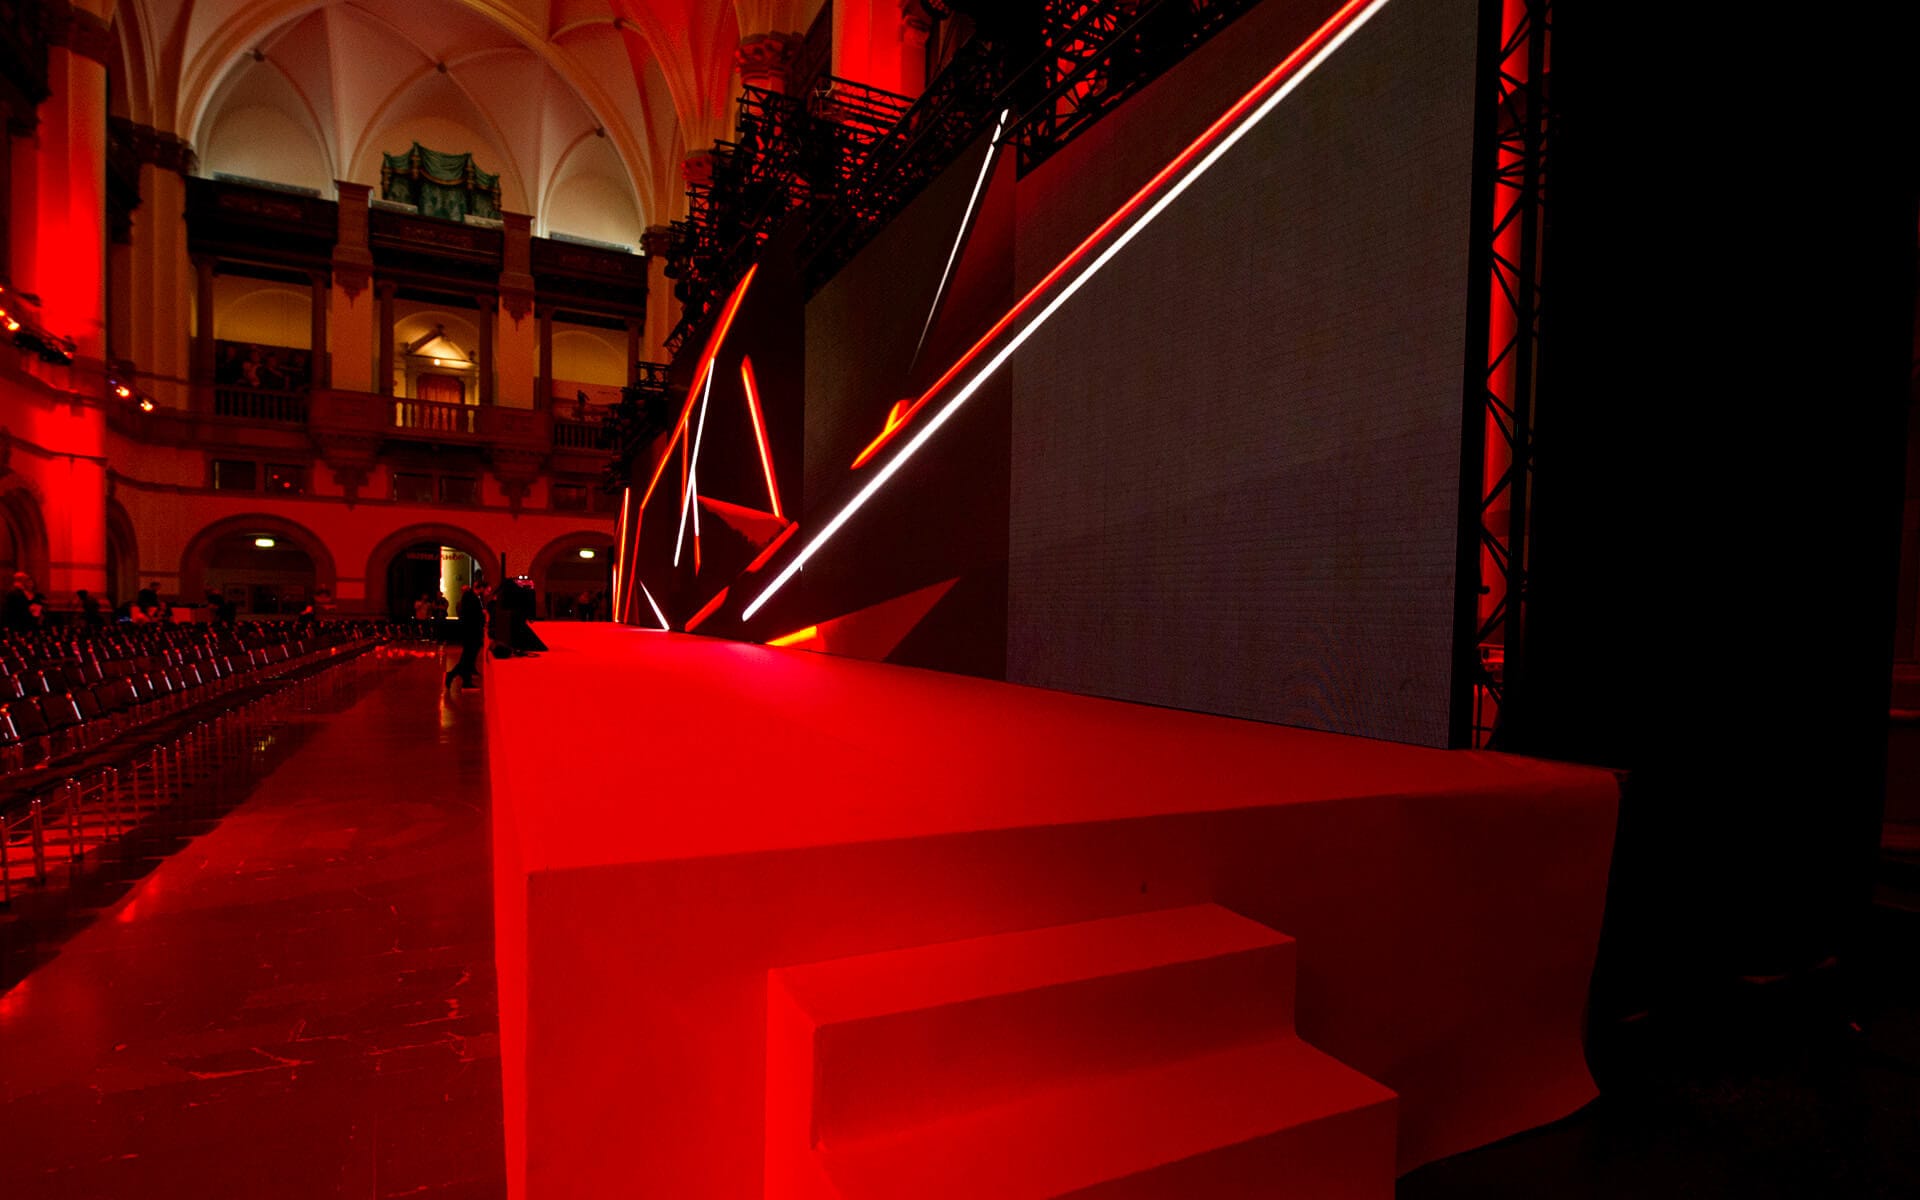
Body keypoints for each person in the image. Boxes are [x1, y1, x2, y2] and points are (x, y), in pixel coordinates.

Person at [445, 583, 485, 690]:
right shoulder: (472, 598)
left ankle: (464, 680)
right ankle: (454, 676)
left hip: (469, 632)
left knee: (467, 658)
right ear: (480, 588)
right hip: (471, 632)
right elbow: (473, 616)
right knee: (468, 657)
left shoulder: (469, 598)